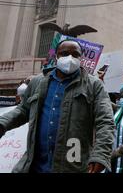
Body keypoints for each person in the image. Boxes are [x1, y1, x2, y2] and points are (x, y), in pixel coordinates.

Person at [0, 39, 115, 173]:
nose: (70, 58)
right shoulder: (38, 82)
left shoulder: (94, 85)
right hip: (35, 165)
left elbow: (106, 122)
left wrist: (101, 154)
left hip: (73, 166)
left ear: (81, 58)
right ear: (56, 56)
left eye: (75, 54)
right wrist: (2, 123)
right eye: (65, 53)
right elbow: (23, 110)